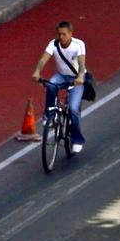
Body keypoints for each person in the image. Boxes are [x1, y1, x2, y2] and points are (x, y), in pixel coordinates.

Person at [30, 20, 89, 153]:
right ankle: (48, 116)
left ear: (70, 33)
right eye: (59, 34)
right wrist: (37, 71)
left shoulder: (78, 45)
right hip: (62, 76)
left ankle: (77, 139)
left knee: (73, 109)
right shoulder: (54, 44)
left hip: (76, 79)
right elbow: (44, 59)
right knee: (50, 85)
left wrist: (80, 77)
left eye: (64, 34)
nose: (61, 37)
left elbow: (81, 62)